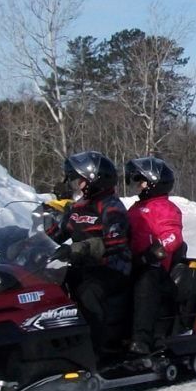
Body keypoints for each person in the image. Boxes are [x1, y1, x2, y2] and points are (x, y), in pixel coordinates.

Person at [45, 151, 132, 360]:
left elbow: (114, 241)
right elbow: (57, 233)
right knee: (46, 286)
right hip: (82, 266)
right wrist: (26, 242)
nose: (76, 185)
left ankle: (101, 349)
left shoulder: (112, 207)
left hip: (111, 268)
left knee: (87, 292)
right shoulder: (78, 207)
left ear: (95, 180)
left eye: (80, 180)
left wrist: (79, 249)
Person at [124, 156, 185, 356]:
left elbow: (173, 236)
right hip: (132, 262)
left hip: (154, 268)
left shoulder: (164, 208)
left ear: (153, 183)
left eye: (141, 181)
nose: (137, 186)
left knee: (144, 284)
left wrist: (152, 254)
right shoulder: (136, 208)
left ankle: (142, 340)